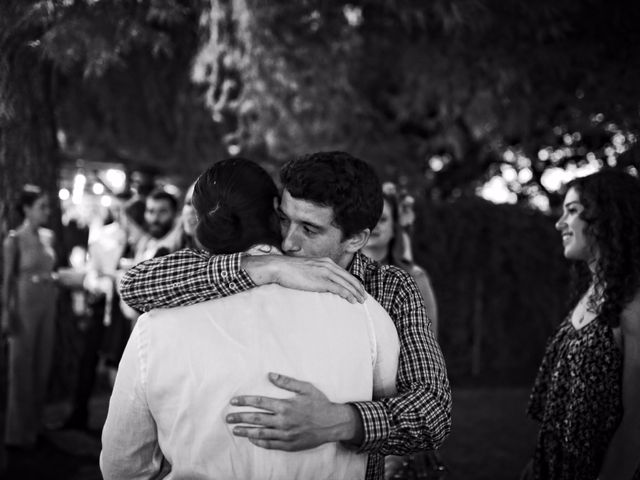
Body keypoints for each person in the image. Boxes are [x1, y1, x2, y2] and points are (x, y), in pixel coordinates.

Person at [119, 151, 452, 480]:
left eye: (309, 229)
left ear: (356, 239)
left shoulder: (388, 290)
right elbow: (136, 284)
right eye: (283, 218)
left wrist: (344, 421)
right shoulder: (256, 266)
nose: (289, 241)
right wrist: (266, 268)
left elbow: (433, 411)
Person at [524, 169, 640, 480]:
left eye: (573, 211)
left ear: (607, 218)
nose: (560, 223)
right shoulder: (592, 292)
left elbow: (636, 425)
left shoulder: (633, 304)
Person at [362, 186, 444, 479]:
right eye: (369, 218)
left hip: (397, 401)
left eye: (382, 219)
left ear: (396, 224)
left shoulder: (414, 279)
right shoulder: (337, 273)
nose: (374, 227)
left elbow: (427, 347)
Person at [1, 185, 59, 448]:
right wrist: (5, 313)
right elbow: (6, 281)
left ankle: (36, 424)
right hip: (23, 306)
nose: (46, 212)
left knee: (43, 362)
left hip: (47, 302)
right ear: (27, 209)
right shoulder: (13, 239)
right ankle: (17, 431)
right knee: (21, 366)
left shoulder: (48, 237)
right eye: (41, 207)